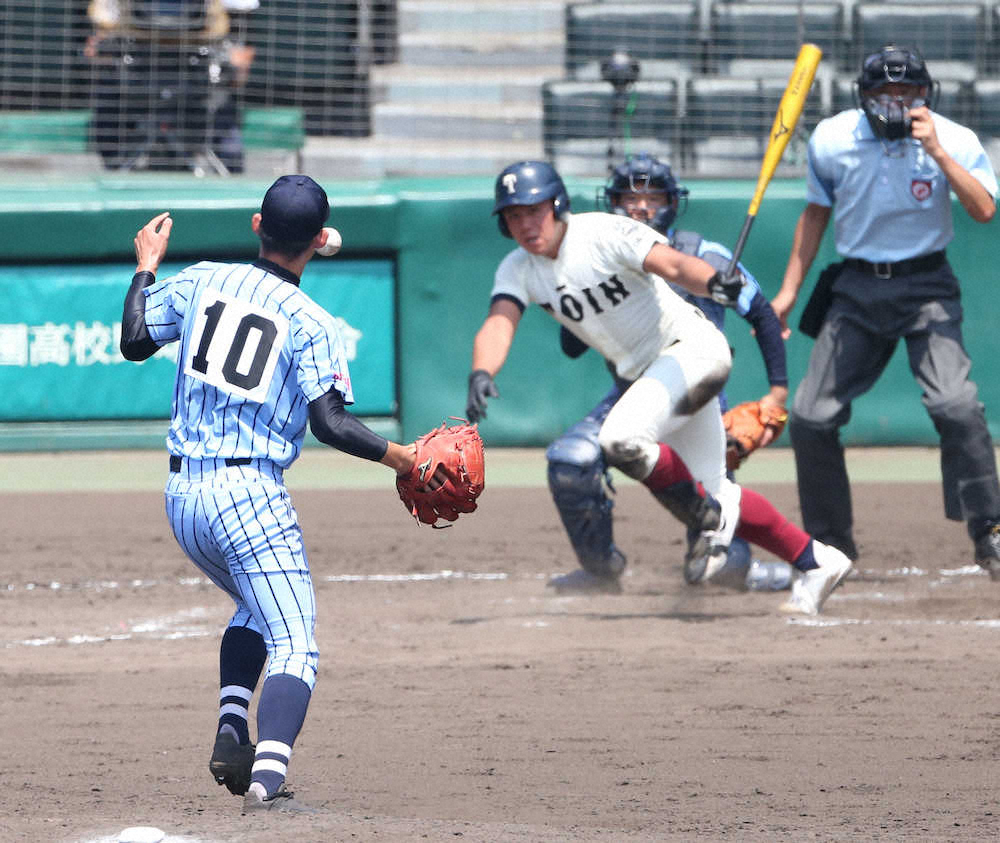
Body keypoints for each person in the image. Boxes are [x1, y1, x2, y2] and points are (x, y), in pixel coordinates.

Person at [120, 175, 418, 813]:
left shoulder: (204, 280)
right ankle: (267, 784)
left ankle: (233, 728)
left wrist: (146, 266)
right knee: (296, 643)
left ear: (258, 224)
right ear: (318, 239)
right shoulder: (312, 321)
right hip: (249, 495)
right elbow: (329, 423)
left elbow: (135, 340)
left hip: (183, 496)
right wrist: (402, 458)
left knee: (257, 610)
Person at [466, 160, 853, 614]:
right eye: (513, 215)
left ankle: (706, 518)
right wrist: (482, 371)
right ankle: (816, 561)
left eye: (534, 210)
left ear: (557, 205)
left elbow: (672, 263)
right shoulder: (518, 268)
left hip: (691, 352)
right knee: (719, 492)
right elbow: (500, 321)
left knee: (620, 439)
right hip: (652, 377)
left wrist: (713, 282)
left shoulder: (602, 232)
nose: (526, 224)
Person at [772, 44, 1000, 576]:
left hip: (927, 286)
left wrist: (938, 152)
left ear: (925, 94)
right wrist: (788, 291)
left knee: (957, 406)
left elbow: (984, 209)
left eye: (908, 91)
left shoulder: (954, 138)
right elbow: (814, 215)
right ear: (865, 96)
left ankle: (990, 530)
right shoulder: (833, 139)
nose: (896, 101)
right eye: (884, 92)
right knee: (810, 417)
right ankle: (831, 545)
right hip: (857, 288)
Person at [542, 152, 795, 594]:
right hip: (629, 396)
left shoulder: (703, 254)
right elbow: (571, 346)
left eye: (653, 197)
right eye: (629, 198)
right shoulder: (598, 258)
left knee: (722, 574)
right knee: (570, 461)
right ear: (612, 203)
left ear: (672, 203)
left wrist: (777, 392)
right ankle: (601, 572)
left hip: (693, 397)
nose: (641, 207)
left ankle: (750, 562)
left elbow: (762, 314)